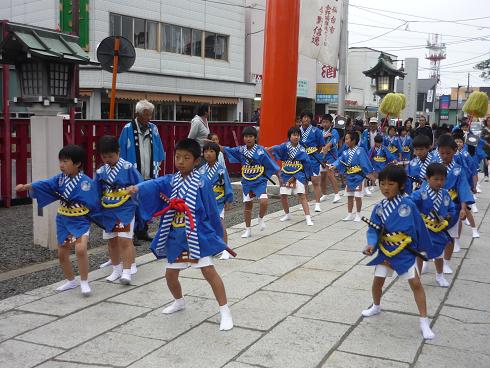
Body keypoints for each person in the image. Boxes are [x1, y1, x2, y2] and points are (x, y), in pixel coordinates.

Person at [128, 138, 233, 331]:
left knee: (209, 272)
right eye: (178, 157)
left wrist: (217, 238)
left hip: (197, 234)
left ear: (196, 160)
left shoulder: (202, 182)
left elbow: (211, 211)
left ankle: (225, 311)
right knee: (170, 274)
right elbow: (155, 184)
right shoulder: (171, 180)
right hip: (176, 233)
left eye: (186, 157)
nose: (181, 161)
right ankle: (179, 301)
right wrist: (138, 188)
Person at [361, 165, 435, 340]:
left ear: (401, 185)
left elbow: (419, 226)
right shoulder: (378, 208)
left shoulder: (408, 204)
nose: (385, 188)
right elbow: (373, 229)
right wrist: (371, 244)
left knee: (415, 284)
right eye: (382, 183)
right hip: (386, 250)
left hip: (404, 251)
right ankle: (376, 305)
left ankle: (424, 321)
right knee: (377, 282)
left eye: (391, 183)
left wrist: (423, 248)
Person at [16, 145, 99, 296]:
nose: (61, 165)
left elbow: (94, 201)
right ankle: (71, 280)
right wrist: (25, 187)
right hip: (63, 219)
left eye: (65, 161)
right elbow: (44, 184)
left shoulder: (86, 182)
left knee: (80, 249)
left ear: (78, 163)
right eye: (60, 161)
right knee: (62, 253)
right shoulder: (59, 179)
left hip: (80, 219)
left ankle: (84, 281)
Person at [95, 136, 143, 284]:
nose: (108, 159)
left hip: (125, 207)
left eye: (111, 155)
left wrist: (134, 189)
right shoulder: (100, 171)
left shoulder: (128, 167)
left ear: (118, 152)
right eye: (104, 156)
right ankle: (116, 269)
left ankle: (127, 271)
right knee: (112, 241)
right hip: (108, 208)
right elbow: (96, 192)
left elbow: (140, 184)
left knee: (124, 239)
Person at [119, 99, 165, 242]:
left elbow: (159, 149)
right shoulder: (127, 129)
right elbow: (121, 152)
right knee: (132, 202)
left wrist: (157, 167)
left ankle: (143, 230)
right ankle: (131, 232)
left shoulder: (153, 128)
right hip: (133, 172)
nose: (148, 118)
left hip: (149, 170)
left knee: (146, 201)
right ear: (137, 114)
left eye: (150, 114)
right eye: (145, 114)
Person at [222, 126, 280, 238]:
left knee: (264, 201)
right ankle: (248, 229)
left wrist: (279, 176)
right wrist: (217, 146)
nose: (248, 139)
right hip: (247, 181)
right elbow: (227, 150)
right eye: (246, 136)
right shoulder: (240, 150)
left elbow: (271, 163)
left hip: (259, 181)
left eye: (250, 136)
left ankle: (260, 218)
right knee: (247, 205)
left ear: (255, 138)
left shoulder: (260, 150)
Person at [411, 163, 457, 287]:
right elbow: (411, 205)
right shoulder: (420, 193)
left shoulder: (445, 194)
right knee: (420, 254)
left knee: (439, 254)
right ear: (427, 178)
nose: (439, 182)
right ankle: (417, 277)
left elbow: (452, 210)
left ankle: (439, 275)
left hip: (439, 229)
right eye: (436, 179)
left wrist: (447, 216)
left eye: (442, 179)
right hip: (423, 229)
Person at [435, 134, 475, 274]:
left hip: (453, 207)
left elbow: (463, 189)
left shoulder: (458, 169)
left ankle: (446, 262)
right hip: (435, 207)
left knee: (450, 237)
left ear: (454, 151)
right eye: (442, 153)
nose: (445, 156)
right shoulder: (434, 167)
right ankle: (427, 259)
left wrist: (464, 208)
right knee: (430, 234)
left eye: (448, 153)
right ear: (438, 152)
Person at [269, 127, 314, 226]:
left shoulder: (302, 149)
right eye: (294, 135)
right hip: (285, 174)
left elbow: (307, 163)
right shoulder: (284, 146)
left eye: (297, 135)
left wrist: (308, 176)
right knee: (283, 195)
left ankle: (308, 217)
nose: (296, 137)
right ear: (289, 136)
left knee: (302, 195)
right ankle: (287, 214)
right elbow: (275, 149)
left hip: (298, 174)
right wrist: (268, 149)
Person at [328, 130, 375, 222]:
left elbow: (365, 163)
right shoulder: (345, 152)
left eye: (347, 139)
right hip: (350, 176)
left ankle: (358, 214)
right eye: (345, 139)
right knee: (349, 196)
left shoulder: (360, 150)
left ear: (353, 140)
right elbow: (340, 160)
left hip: (359, 176)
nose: (345, 141)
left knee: (358, 196)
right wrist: (334, 165)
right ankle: (349, 214)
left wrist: (369, 173)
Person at [200, 141, 234, 259]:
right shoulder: (201, 170)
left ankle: (225, 249)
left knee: (220, 224)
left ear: (217, 153)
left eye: (211, 151)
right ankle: (212, 248)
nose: (208, 154)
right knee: (207, 225)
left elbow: (227, 185)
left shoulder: (221, 170)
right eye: (206, 151)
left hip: (218, 201)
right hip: (205, 203)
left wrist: (228, 199)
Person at [299, 111, 326, 212]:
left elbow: (320, 145)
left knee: (315, 181)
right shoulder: (297, 131)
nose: (306, 119)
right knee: (303, 182)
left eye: (308, 117)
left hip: (313, 158)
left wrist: (315, 154)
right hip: (301, 159)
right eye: (304, 117)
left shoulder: (316, 131)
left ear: (311, 119)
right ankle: (304, 203)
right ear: (301, 119)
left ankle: (317, 203)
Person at [319, 114, 341, 203]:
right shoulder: (320, 132)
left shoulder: (334, 131)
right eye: (323, 122)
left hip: (331, 156)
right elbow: (317, 141)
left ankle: (337, 194)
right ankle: (324, 194)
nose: (324, 124)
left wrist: (326, 146)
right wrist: (324, 137)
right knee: (322, 176)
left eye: (326, 122)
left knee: (330, 174)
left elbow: (333, 141)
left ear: (331, 123)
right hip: (322, 157)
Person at [481, 117, 490, 181]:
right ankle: (486, 175)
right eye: (488, 121)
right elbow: (481, 138)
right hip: (486, 148)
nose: (489, 122)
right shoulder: (484, 130)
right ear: (486, 122)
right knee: (486, 162)